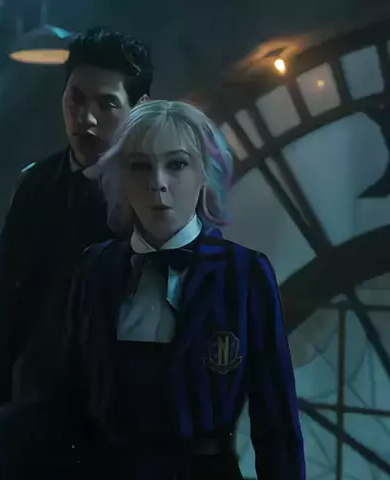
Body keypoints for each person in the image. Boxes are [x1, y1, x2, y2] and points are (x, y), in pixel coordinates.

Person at [50, 99, 306, 479]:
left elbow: (276, 420)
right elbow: (65, 400)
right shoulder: (96, 267)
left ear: (205, 174)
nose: (158, 183)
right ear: (122, 178)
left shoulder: (243, 274)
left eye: (177, 164)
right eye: (140, 166)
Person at [0, 26, 153, 479]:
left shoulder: (155, 197)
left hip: (113, 443)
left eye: (107, 104)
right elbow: (1, 308)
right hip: (26, 436)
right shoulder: (37, 186)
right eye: (75, 99)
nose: (86, 118)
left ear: (138, 109)